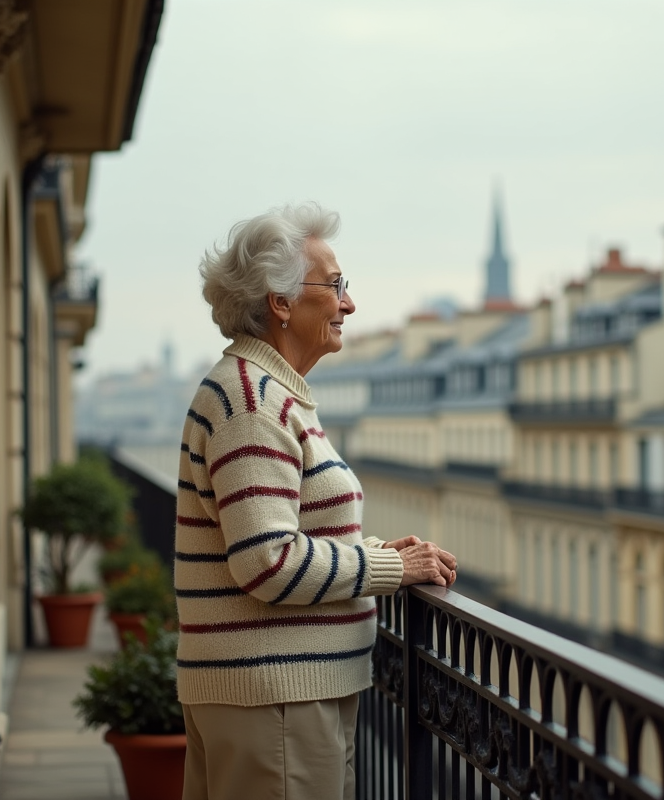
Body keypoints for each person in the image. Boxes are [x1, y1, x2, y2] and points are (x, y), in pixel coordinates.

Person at [175, 202, 457, 800]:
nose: (348, 304)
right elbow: (267, 562)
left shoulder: (267, 394)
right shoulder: (251, 402)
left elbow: (274, 533)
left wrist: (375, 551)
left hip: (277, 699)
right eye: (334, 286)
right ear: (280, 302)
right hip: (277, 703)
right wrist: (387, 568)